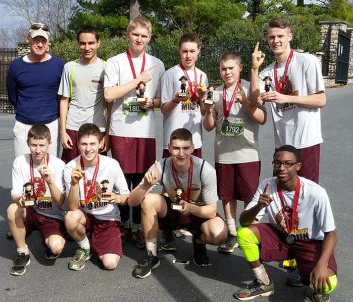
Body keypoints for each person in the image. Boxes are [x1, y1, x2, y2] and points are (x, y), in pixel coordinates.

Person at [233, 145, 337, 301]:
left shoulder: (315, 193)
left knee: (327, 283)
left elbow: (331, 233)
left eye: (288, 163)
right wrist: (259, 206)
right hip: (282, 236)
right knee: (244, 233)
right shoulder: (266, 186)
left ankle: (311, 283)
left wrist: (321, 265)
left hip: (308, 242)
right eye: (277, 163)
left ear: (298, 166)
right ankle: (263, 283)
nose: (281, 168)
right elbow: (244, 221)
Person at [128, 128, 228, 279]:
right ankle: (152, 255)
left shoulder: (205, 170)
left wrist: (191, 207)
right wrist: (145, 186)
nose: (181, 153)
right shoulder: (160, 167)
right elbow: (132, 201)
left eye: (186, 148)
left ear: (193, 148)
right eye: (176, 148)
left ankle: (198, 240)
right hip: (173, 210)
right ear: (169, 148)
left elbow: (212, 211)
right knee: (148, 200)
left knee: (218, 233)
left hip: (196, 211)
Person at [103, 16, 165, 248]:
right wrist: (138, 80)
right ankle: (122, 224)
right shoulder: (115, 62)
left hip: (146, 130)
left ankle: (139, 227)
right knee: (121, 180)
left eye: (144, 36)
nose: (139, 39)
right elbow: (109, 95)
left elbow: (162, 98)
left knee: (142, 180)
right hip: (121, 128)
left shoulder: (158, 64)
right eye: (135, 34)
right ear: (128, 35)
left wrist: (152, 102)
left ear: (149, 38)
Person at [203, 52, 266, 254]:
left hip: (248, 154)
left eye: (231, 68)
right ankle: (232, 233)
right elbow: (209, 126)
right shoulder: (216, 92)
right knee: (227, 196)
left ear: (240, 68)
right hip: (223, 154)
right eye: (223, 68)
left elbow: (262, 118)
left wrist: (246, 102)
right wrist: (207, 110)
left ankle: (248, 232)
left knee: (249, 196)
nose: (227, 72)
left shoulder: (251, 88)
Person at [249, 19, 326, 184]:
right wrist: (254, 69)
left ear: (290, 36)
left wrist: (287, 98)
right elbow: (255, 101)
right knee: (282, 194)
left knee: (306, 193)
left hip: (306, 141)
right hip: (282, 144)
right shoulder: (267, 72)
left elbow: (321, 99)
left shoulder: (307, 61)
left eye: (280, 36)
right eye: (271, 37)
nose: (275, 41)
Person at [63, 123, 130, 271]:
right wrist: (74, 183)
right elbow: (72, 207)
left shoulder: (112, 164)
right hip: (86, 214)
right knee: (70, 217)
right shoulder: (70, 167)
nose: (88, 149)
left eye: (92, 143)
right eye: (84, 144)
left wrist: (117, 198)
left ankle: (115, 234)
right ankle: (85, 248)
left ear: (100, 144)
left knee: (110, 263)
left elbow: (127, 196)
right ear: (78, 145)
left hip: (107, 217)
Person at [7, 124, 66, 276]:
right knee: (12, 209)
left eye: (42, 145)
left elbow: (60, 201)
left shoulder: (58, 165)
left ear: (49, 144)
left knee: (56, 247)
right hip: (31, 210)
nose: (37, 150)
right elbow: (14, 195)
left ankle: (48, 236)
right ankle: (22, 252)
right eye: (34, 145)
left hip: (51, 215)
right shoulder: (20, 162)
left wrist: (49, 181)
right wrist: (21, 199)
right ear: (28, 143)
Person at [7, 23, 64, 158]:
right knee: (23, 168)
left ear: (48, 41)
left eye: (43, 40)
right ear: (28, 39)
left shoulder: (59, 65)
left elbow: (63, 96)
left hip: (51, 125)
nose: (39, 44)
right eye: (36, 40)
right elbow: (12, 97)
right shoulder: (16, 66)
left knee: (50, 169)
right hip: (24, 125)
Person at [58, 26, 108, 163]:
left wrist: (107, 135)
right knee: (70, 172)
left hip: (98, 128)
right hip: (73, 129)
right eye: (83, 43)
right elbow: (64, 100)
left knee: (97, 174)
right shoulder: (69, 67)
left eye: (91, 43)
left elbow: (110, 104)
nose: (87, 47)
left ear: (98, 43)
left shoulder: (106, 67)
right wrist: (63, 131)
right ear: (78, 44)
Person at [161, 33, 208, 159]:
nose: (188, 56)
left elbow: (204, 111)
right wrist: (176, 100)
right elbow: (164, 109)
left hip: (194, 141)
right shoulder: (169, 74)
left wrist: (201, 98)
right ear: (179, 51)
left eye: (192, 51)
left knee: (194, 177)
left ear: (198, 51)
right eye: (185, 51)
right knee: (170, 177)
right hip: (174, 141)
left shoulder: (202, 76)